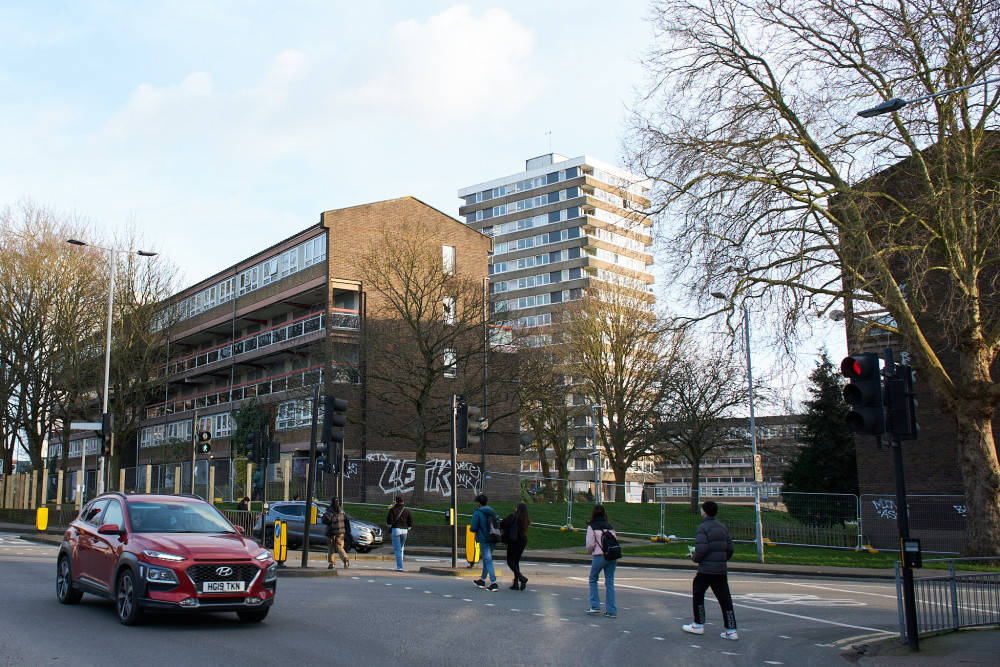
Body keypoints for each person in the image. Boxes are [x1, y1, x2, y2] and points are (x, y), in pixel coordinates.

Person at [683, 500, 738, 640]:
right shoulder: (722, 527)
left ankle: (698, 623)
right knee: (725, 598)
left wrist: (694, 557)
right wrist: (722, 559)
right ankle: (731, 629)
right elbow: (730, 548)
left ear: (705, 512)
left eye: (702, 509)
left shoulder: (702, 528)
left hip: (706, 569)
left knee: (698, 592)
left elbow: (702, 548)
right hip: (720, 569)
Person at [585, 504, 617, 617]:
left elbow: (590, 544)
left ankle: (595, 606)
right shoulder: (610, 526)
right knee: (610, 582)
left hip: (599, 555)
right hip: (612, 556)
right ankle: (612, 610)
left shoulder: (592, 526)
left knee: (593, 579)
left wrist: (590, 552)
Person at [470, 494, 500, 591]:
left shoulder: (477, 513)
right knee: (487, 560)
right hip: (493, 538)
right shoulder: (493, 512)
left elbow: (473, 527)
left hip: (484, 539)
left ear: (479, 503)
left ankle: (494, 582)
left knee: (488, 560)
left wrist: (472, 529)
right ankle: (482, 580)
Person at [500, 502, 530, 590]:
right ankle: (516, 583)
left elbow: (503, 524)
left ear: (518, 509)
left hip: (514, 541)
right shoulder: (526, 519)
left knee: (510, 562)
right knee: (516, 562)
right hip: (523, 541)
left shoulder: (514, 516)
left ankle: (521, 578)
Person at [385, 495, 413, 571]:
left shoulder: (393, 510)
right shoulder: (406, 510)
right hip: (404, 531)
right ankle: (401, 564)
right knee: (401, 548)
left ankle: (400, 567)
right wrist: (409, 527)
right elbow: (410, 521)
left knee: (397, 549)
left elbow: (389, 521)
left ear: (396, 502)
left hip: (396, 530)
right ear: (403, 502)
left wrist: (389, 525)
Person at [322, 497, 350, 570]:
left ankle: (332, 563)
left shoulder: (330, 511)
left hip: (332, 532)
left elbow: (325, 520)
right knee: (340, 547)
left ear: (331, 502)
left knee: (331, 548)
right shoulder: (341, 510)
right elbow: (346, 520)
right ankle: (345, 558)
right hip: (341, 532)